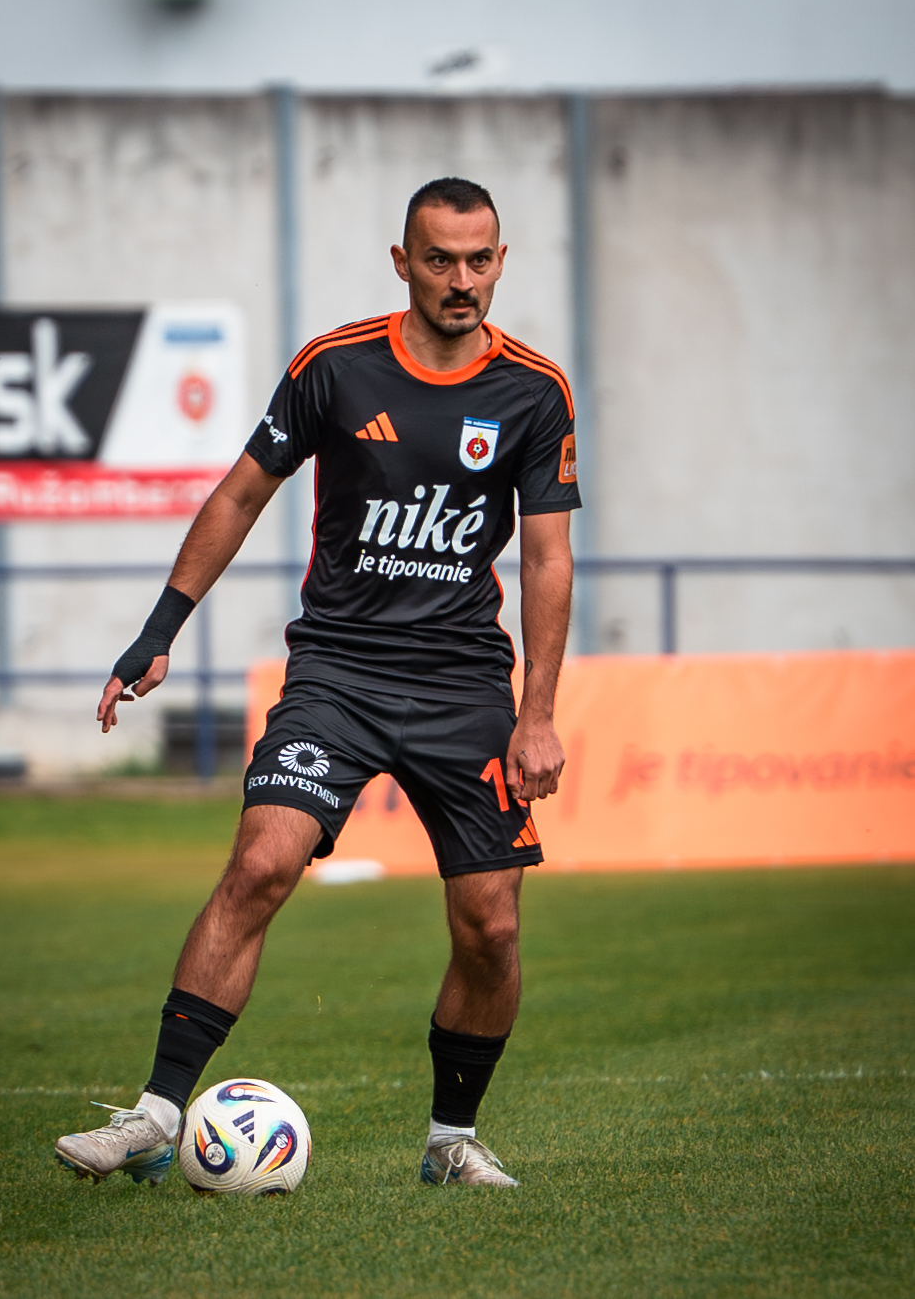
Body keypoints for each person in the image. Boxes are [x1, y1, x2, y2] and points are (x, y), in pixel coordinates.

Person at [54, 176, 580, 1190]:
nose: (460, 280)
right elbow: (240, 493)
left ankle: (450, 1142)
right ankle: (155, 1115)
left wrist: (537, 715)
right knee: (261, 863)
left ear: (500, 263)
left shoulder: (533, 390)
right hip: (338, 674)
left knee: (491, 925)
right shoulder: (332, 367)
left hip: (464, 686)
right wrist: (159, 631)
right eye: (439, 259)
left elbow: (548, 559)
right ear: (401, 263)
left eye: (478, 260)